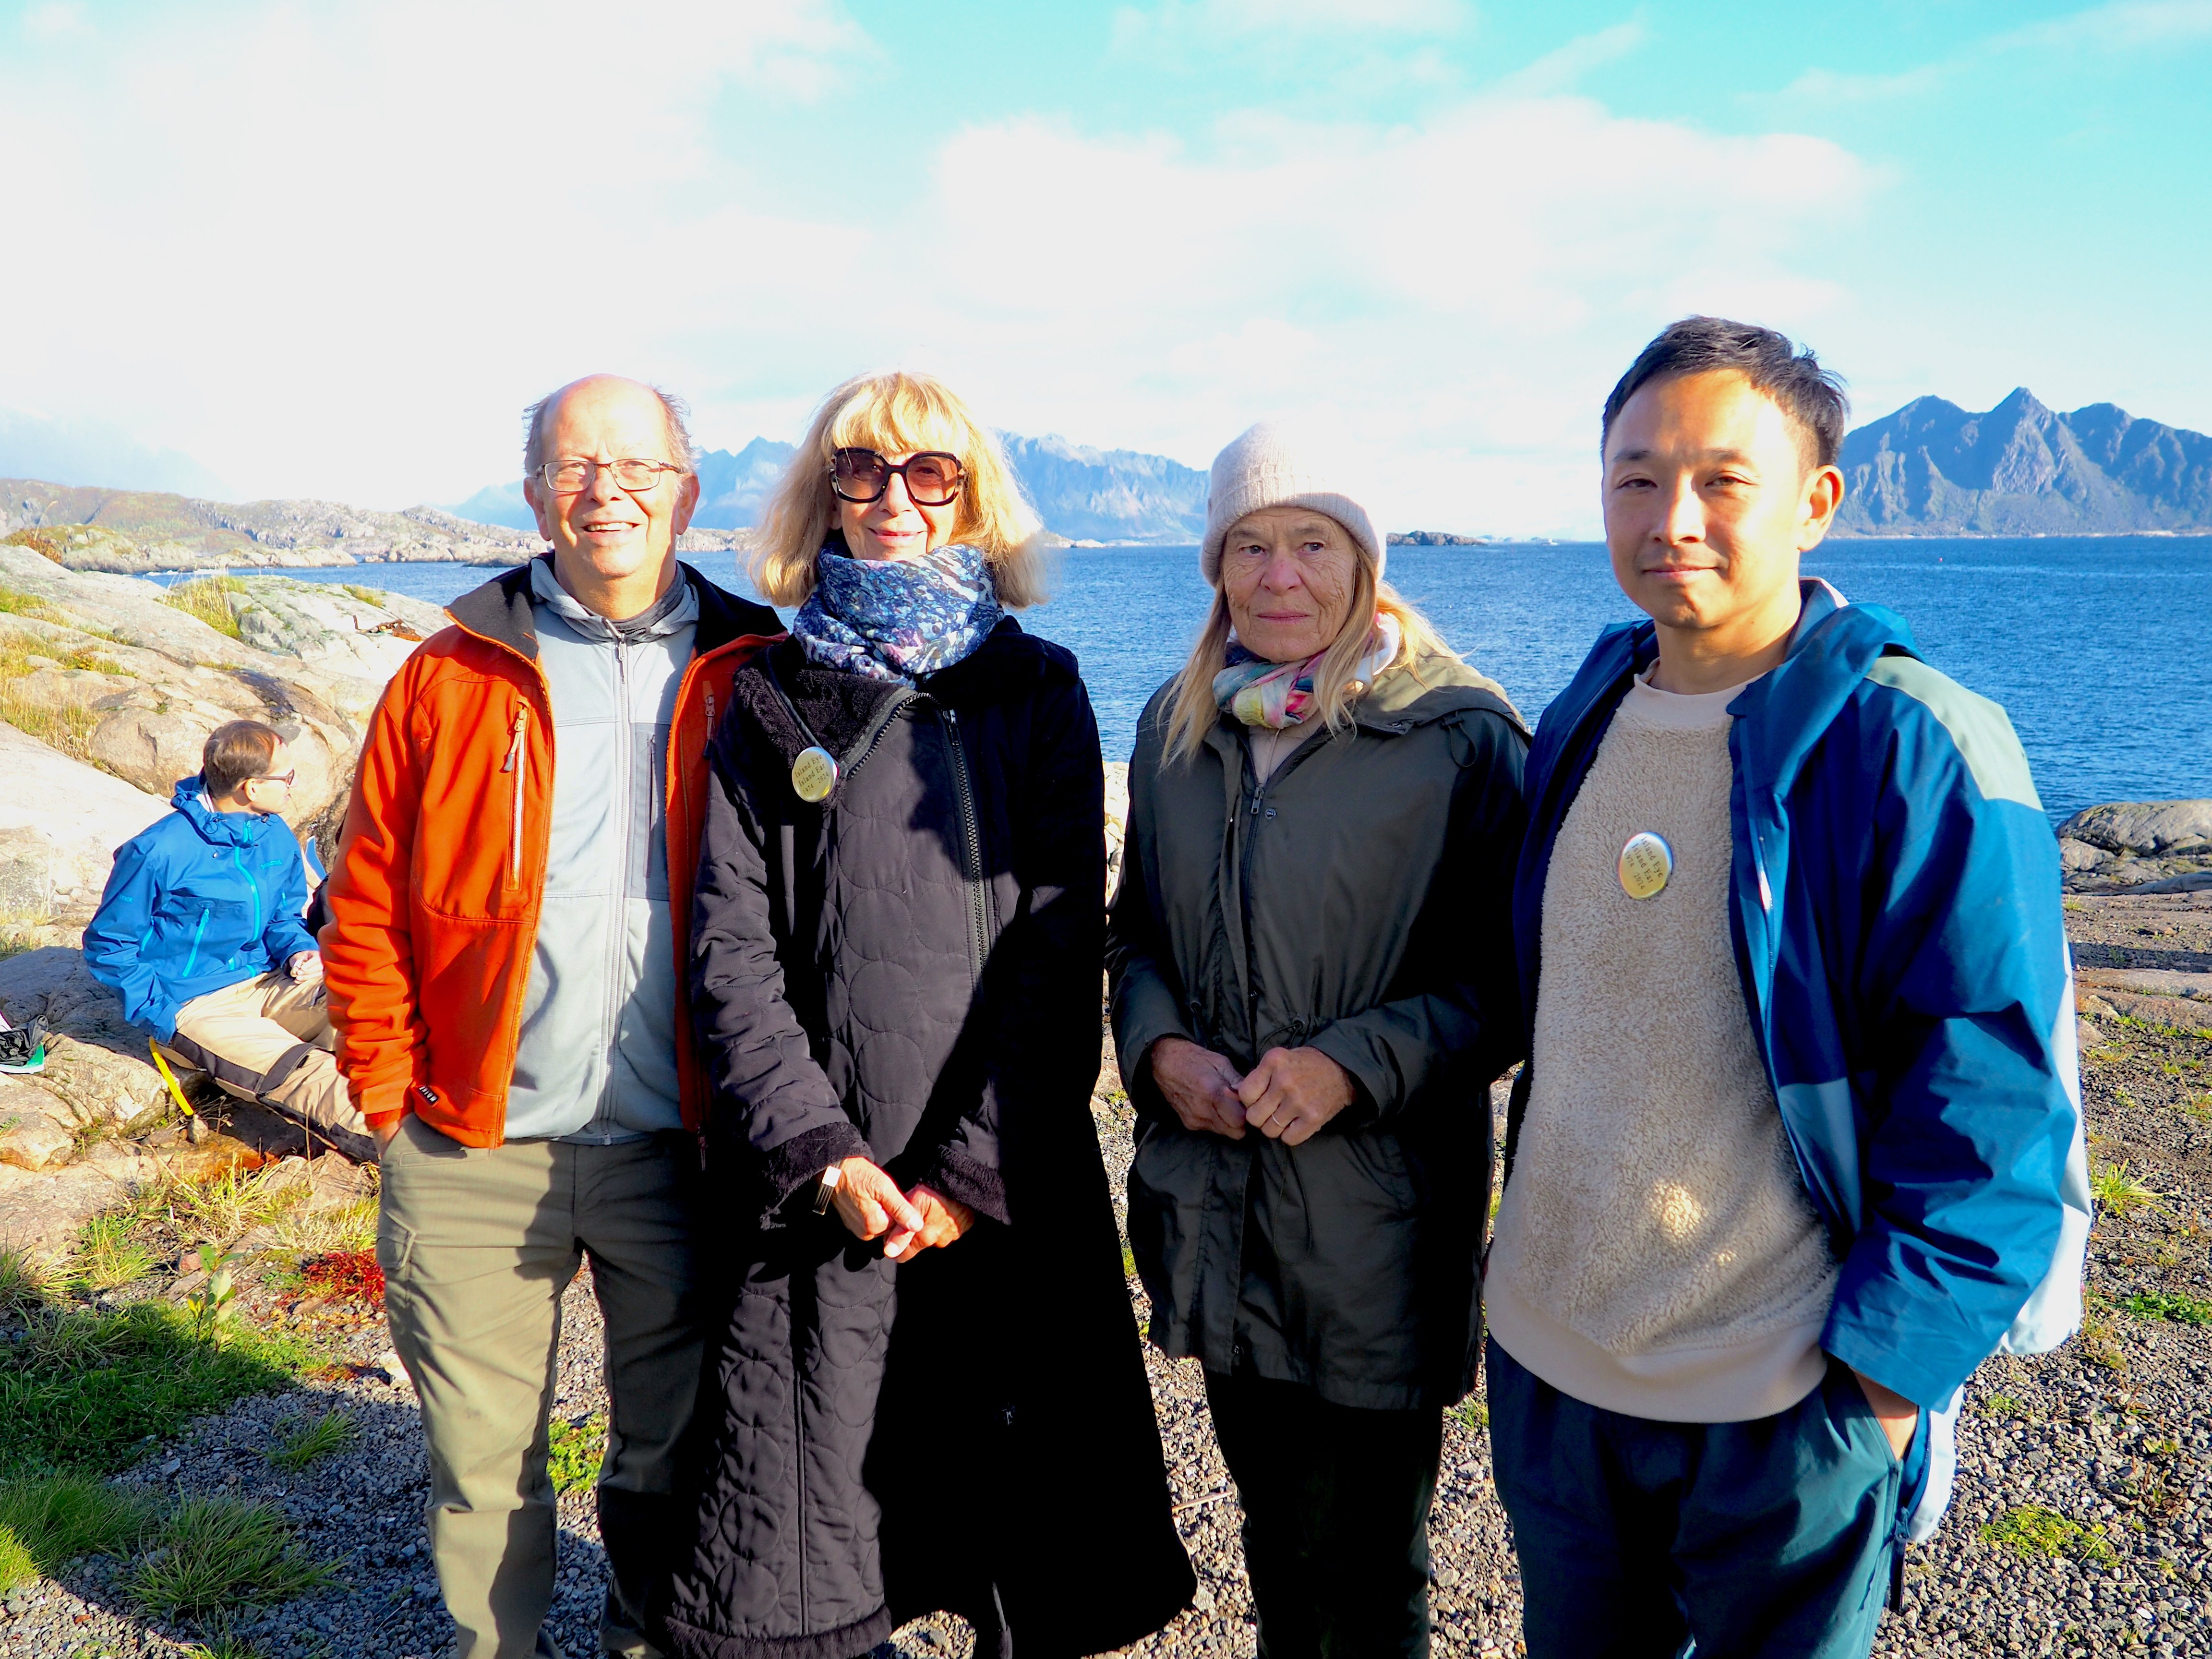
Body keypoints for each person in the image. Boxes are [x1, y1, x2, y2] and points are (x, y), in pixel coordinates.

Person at [1483, 317, 2091, 1659]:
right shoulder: (1594, 700)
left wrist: (1878, 1384)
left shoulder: (1911, 742)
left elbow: (1995, 1099)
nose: (1672, 517)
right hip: (1554, 1366)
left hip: (1779, 1393)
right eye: (1635, 478)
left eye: (1721, 479)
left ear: (1817, 502)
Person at [660, 370, 1194, 1659]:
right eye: (862, 469)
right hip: (822, 1189)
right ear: (823, 494)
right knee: (817, 1529)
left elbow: (1063, 940)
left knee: (1017, 1519)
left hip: (1003, 1178)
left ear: (973, 498)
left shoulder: (1038, 688)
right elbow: (730, 953)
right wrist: (821, 1152)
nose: (894, 498)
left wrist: (968, 1169)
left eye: (930, 473)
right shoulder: (769, 699)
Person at [321, 374, 785, 1659]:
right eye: (577, 467)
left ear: (687, 493)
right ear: (535, 495)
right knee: (483, 1473)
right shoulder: (449, 673)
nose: (607, 490)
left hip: (680, 1148)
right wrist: (386, 1092)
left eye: (638, 465)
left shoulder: (762, 669)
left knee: (677, 1456)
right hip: (470, 1146)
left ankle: (651, 1640)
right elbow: (361, 900)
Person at [1106, 421, 1529, 1657]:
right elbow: (1136, 940)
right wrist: (1158, 1050)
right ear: (1215, 565)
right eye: (1249, 545)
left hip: (1375, 1229)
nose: (1278, 574)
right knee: (1277, 1541)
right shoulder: (1177, 728)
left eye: (1312, 542)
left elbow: (1513, 982)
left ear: (1365, 560)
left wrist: (1355, 1062)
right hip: (1217, 1209)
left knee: (1370, 1566)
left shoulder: (1456, 735)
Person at [85, 719, 373, 1161]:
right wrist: (165, 1016)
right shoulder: (158, 850)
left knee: (373, 1002)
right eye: (287, 776)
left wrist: (300, 949)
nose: (294, 786)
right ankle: (419, 1154)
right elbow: (109, 945)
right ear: (250, 788)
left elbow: (283, 917)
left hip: (270, 981)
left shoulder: (273, 831)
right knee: (309, 1073)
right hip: (198, 1006)